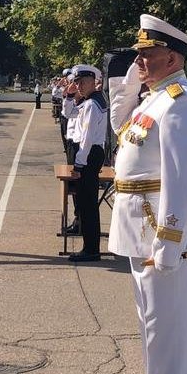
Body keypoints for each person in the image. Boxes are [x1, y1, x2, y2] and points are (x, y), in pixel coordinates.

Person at [105, 13, 187, 374]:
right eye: (139, 54)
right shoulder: (155, 101)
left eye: (147, 54)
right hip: (139, 231)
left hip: (162, 236)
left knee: (166, 342)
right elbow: (120, 130)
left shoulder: (182, 103)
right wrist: (128, 85)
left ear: (173, 57)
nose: (140, 61)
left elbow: (182, 180)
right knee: (153, 338)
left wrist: (169, 243)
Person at [66, 64, 107, 262]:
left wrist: (79, 164)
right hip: (89, 153)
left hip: (89, 154)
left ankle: (91, 249)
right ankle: (89, 247)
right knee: (85, 202)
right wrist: (69, 96)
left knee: (88, 203)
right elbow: (68, 114)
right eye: (77, 82)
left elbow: (87, 137)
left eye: (83, 82)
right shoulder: (89, 101)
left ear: (93, 82)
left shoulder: (91, 104)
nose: (79, 86)